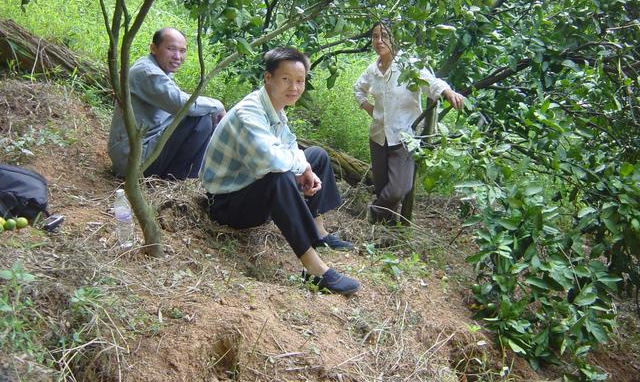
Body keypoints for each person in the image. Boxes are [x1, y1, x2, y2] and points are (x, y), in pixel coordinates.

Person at [200, 47, 360, 295]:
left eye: (300, 81)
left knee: (316, 155)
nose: (294, 87)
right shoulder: (249, 112)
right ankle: (314, 269)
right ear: (268, 78)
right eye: (286, 79)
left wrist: (306, 166)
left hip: (249, 187)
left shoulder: (274, 107)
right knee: (280, 176)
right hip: (226, 204)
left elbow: (288, 143)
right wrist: (300, 166)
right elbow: (271, 159)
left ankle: (318, 231)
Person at [353, 20, 465, 223]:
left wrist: (448, 92)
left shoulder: (409, 65)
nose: (379, 41)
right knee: (382, 186)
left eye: (384, 36)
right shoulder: (373, 70)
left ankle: (373, 214)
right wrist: (367, 107)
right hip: (378, 136)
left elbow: (432, 83)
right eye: (375, 36)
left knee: (398, 189)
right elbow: (358, 89)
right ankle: (385, 235)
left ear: (395, 39)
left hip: (405, 136)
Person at [108, 27, 225, 180]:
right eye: (171, 49)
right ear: (154, 48)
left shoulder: (157, 69)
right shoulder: (147, 73)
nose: (178, 56)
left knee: (204, 114)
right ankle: (181, 177)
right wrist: (218, 105)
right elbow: (182, 104)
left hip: (142, 150)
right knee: (199, 118)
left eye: (182, 51)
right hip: (133, 161)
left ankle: (189, 175)